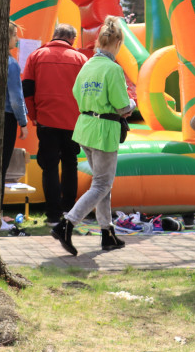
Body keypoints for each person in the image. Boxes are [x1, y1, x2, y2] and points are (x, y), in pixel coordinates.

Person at [52, 16, 135, 255]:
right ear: (118, 42)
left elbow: (77, 93)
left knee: (102, 185)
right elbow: (122, 107)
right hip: (104, 131)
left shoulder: (88, 65)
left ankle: (107, 233)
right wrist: (130, 101)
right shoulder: (113, 69)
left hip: (86, 128)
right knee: (101, 185)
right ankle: (67, 224)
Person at [21, 23, 88, 225]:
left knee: (49, 167)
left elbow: (27, 89)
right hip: (72, 122)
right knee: (71, 164)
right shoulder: (81, 59)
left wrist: (34, 116)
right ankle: (69, 211)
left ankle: (52, 214)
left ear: (54, 36)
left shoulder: (36, 56)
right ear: (72, 40)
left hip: (46, 121)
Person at [1, 22, 29, 231]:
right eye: (14, 36)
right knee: (0, 168)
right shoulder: (10, 63)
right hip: (6, 119)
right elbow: (16, 98)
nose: (17, 40)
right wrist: (23, 122)